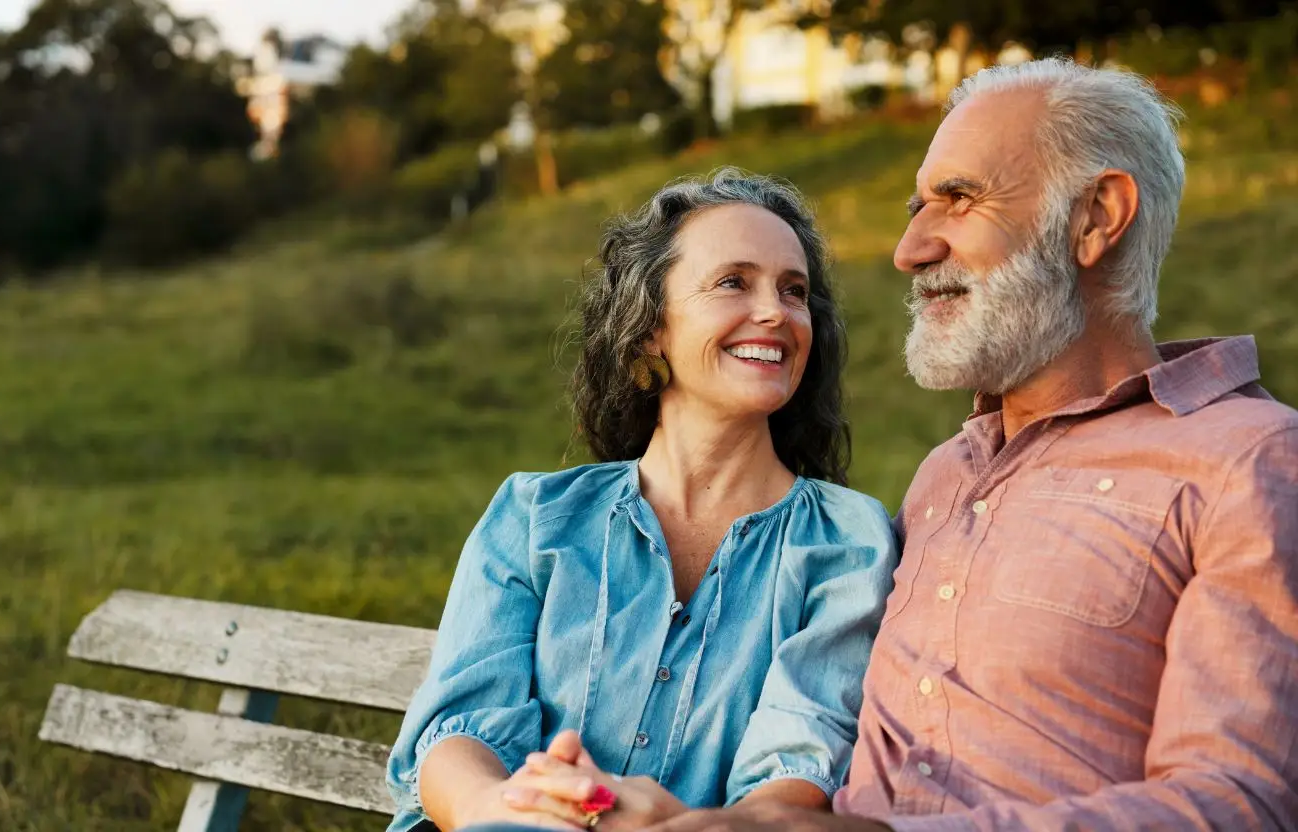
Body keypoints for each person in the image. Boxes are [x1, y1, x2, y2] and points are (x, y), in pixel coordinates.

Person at [632, 57, 1298, 832]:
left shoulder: (1250, 462)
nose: (909, 248)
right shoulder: (943, 477)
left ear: (1096, 218)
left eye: (958, 199)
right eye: (917, 206)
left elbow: (1238, 804)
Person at [382, 170, 899, 831]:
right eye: (734, 282)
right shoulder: (535, 517)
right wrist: (509, 808)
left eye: (794, 291)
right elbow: (459, 733)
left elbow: (796, 771)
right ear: (651, 328)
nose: (776, 312)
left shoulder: (845, 542)